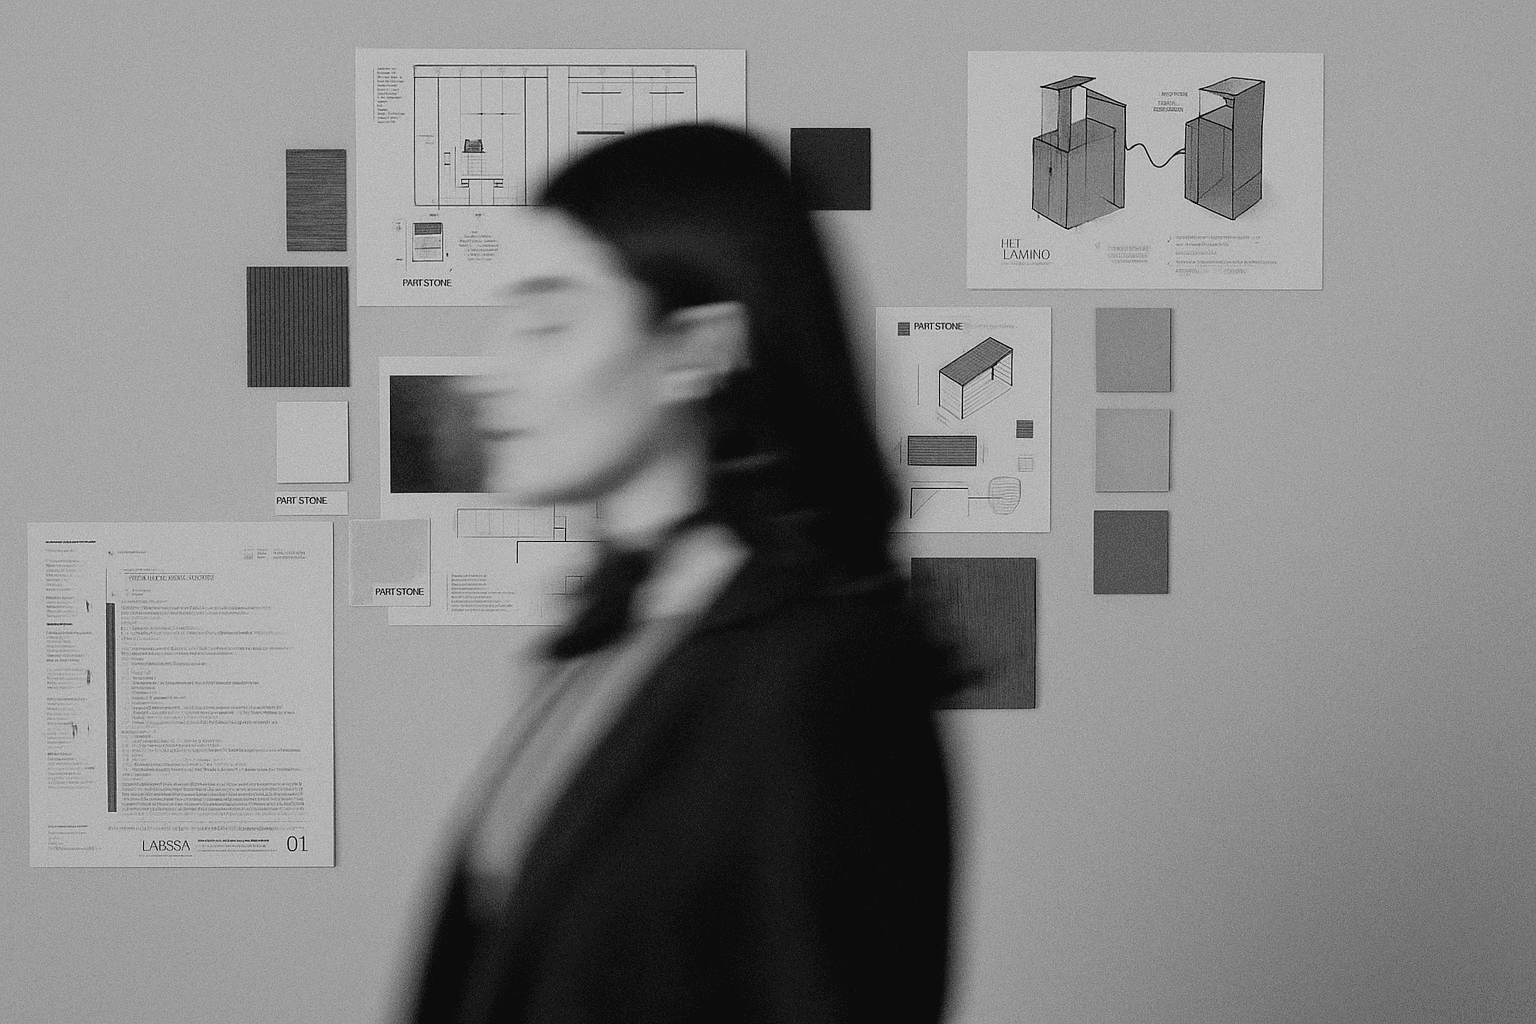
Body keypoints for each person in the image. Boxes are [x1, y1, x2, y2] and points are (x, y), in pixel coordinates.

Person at [406, 123, 956, 1024]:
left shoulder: (824, 673)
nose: (492, 373)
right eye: (499, 322)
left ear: (696, 350)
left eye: (547, 322)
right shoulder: (614, 637)